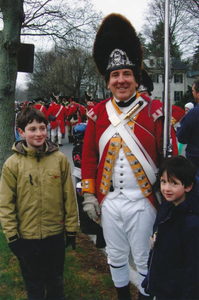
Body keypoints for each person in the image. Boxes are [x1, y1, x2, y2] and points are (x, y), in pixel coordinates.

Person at [81, 13, 178, 300]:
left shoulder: (155, 111)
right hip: (109, 201)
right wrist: (89, 195)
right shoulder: (98, 114)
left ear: (136, 79)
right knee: (116, 254)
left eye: (126, 74)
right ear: (108, 81)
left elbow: (169, 160)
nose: (121, 80)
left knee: (145, 257)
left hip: (144, 201)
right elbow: (88, 157)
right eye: (115, 75)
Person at [0, 107, 78, 300]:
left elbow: (69, 197)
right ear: (21, 132)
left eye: (42, 128)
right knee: (34, 286)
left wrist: (71, 230)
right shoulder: (12, 164)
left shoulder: (59, 160)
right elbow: (6, 204)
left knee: (55, 284)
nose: (39, 133)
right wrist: (12, 236)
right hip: (27, 238)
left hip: (54, 236)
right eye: (32, 129)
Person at [142, 155, 199, 299]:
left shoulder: (192, 222)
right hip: (161, 286)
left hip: (177, 292)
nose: (166, 188)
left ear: (188, 186)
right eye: (163, 182)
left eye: (174, 183)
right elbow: (155, 247)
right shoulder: (165, 208)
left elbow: (193, 268)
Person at [72, 123, 106, 248]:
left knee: (81, 203)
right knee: (94, 207)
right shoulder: (86, 148)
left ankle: (85, 227)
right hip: (86, 179)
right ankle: (99, 233)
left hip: (78, 180)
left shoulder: (75, 147)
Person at [177, 78, 199, 177]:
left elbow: (182, 137)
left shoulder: (193, 114)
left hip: (195, 161)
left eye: (193, 91)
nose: (192, 93)